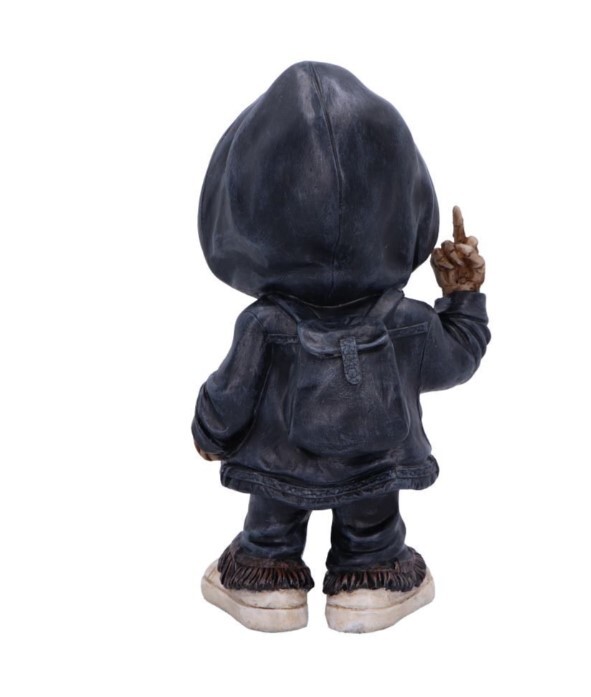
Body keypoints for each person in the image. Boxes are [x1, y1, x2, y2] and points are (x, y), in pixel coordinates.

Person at [192, 61, 490, 633]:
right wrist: (463, 298)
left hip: (277, 470)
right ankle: (372, 576)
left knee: (270, 525)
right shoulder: (405, 321)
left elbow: (230, 396)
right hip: (378, 465)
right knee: (374, 525)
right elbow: (458, 358)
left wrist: (209, 435)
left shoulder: (264, 325)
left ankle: (266, 577)